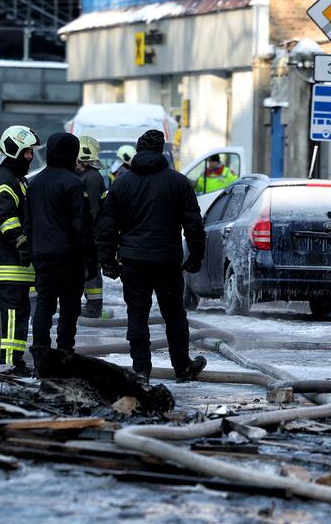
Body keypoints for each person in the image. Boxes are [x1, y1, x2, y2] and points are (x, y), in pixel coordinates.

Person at [97, 129, 207, 384]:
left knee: (137, 314)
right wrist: (195, 256)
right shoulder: (178, 182)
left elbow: (107, 226)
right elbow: (193, 224)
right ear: (161, 152)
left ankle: (140, 371)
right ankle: (182, 367)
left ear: (138, 150)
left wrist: (108, 261)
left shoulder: (121, 184)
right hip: (167, 261)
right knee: (174, 315)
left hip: (133, 261)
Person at [26, 133, 96, 373]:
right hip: (69, 256)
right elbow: (82, 226)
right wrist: (91, 260)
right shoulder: (74, 183)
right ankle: (65, 355)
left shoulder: (34, 182)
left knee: (44, 305)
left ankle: (41, 357)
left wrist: (31, 253)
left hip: (42, 255)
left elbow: (28, 223)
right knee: (69, 307)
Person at [0, 125, 42, 375]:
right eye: (27, 152)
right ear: (14, 150)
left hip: (10, 264)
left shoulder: (13, 178)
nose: (30, 157)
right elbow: (5, 216)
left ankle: (9, 359)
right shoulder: (3, 180)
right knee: (13, 315)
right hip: (6, 264)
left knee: (14, 313)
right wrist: (21, 241)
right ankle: (8, 363)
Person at [76, 135, 107, 318]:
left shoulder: (92, 178)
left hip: (91, 236)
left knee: (91, 271)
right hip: (87, 235)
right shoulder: (84, 176)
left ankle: (94, 307)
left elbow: (93, 211)